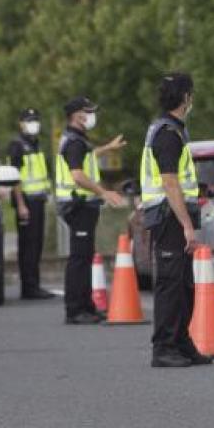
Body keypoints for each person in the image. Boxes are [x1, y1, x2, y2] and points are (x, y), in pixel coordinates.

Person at [139, 73, 213, 368]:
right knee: (171, 283)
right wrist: (186, 225)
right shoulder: (168, 134)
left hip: (172, 215)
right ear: (185, 98)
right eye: (190, 94)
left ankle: (181, 342)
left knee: (184, 284)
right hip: (169, 216)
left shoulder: (171, 130)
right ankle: (164, 347)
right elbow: (170, 183)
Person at [54, 96, 126, 324]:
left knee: (84, 256)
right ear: (77, 115)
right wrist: (103, 192)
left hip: (83, 205)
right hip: (79, 205)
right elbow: (77, 175)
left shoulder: (75, 139)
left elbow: (88, 158)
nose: (92, 116)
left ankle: (86, 306)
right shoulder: (74, 142)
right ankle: (75, 310)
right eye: (89, 111)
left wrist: (107, 148)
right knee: (79, 259)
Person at [8, 108, 55, 300]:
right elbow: (14, 178)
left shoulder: (35, 144)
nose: (33, 123)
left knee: (36, 245)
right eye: (29, 120)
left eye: (35, 120)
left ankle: (34, 285)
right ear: (21, 123)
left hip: (38, 201)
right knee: (28, 246)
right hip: (26, 202)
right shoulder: (17, 146)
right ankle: (28, 287)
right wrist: (21, 205)